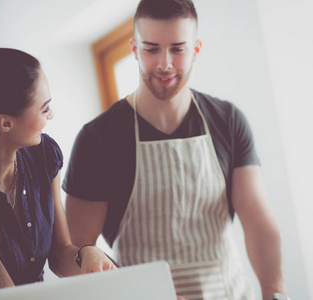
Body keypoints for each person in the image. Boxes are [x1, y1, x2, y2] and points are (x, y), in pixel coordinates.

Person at [63, 0, 290, 299]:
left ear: (195, 49)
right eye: (151, 48)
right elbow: (74, 254)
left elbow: (257, 220)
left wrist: (274, 291)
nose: (164, 63)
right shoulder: (97, 140)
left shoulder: (228, 121)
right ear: (134, 48)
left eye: (178, 49)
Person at [0, 48, 115, 300]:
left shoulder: (43, 156)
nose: (51, 115)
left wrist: (85, 255)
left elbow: (60, 253)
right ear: (5, 123)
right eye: (44, 109)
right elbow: (0, 289)